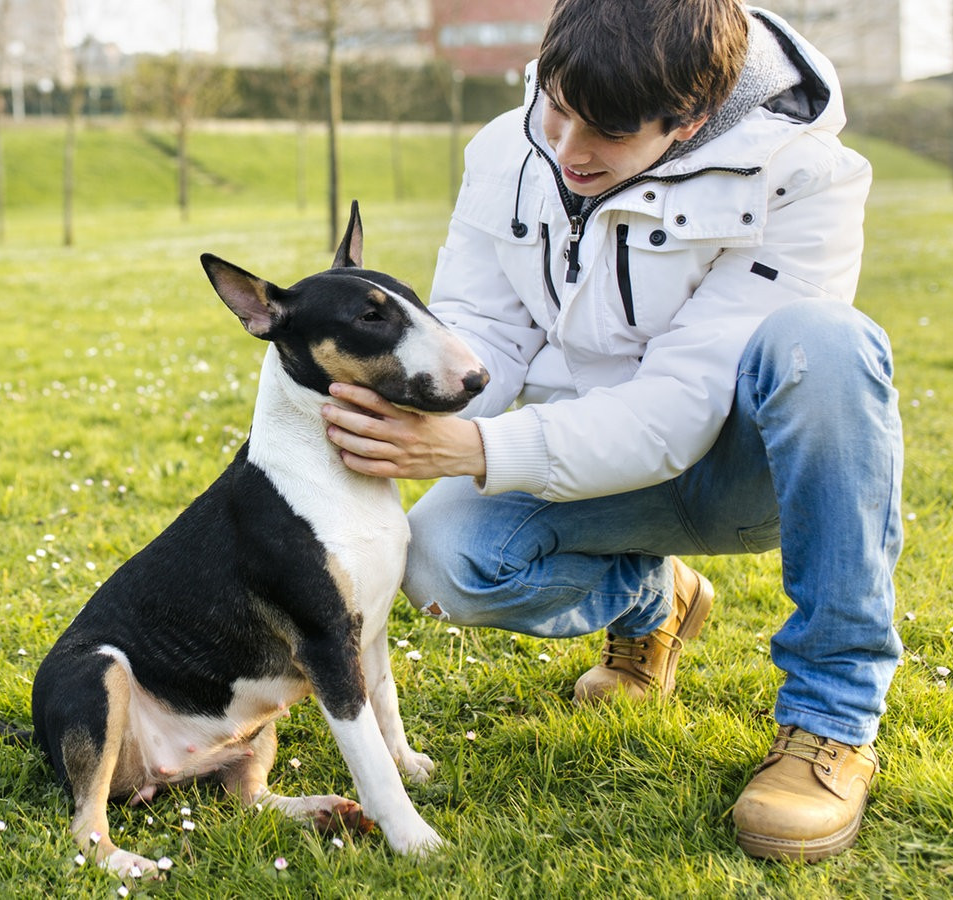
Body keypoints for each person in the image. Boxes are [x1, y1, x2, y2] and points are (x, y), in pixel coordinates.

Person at [319, 0, 903, 862]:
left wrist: (477, 450)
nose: (567, 148)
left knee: (829, 344)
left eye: (609, 132)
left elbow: (678, 407)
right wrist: (406, 408)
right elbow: (486, 331)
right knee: (444, 561)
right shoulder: (507, 148)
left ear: (693, 119)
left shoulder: (806, 175)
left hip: (748, 477)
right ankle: (654, 602)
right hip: (595, 462)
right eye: (557, 107)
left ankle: (832, 719)